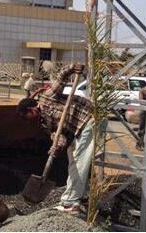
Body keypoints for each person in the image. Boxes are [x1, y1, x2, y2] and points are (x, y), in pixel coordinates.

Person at [17, 63, 93, 215]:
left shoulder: (47, 97)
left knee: (79, 161)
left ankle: (70, 202)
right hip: (76, 130)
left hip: (88, 118)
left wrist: (72, 68)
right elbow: (60, 137)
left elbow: (61, 77)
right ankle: (79, 196)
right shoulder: (43, 124)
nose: (28, 121)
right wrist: (56, 147)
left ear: (32, 109)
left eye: (27, 117)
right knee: (73, 160)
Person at [136, 80, 146, 150]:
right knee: (143, 129)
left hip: (144, 111)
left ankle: (139, 144)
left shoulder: (142, 90)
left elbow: (141, 101)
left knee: (142, 129)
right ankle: (140, 144)